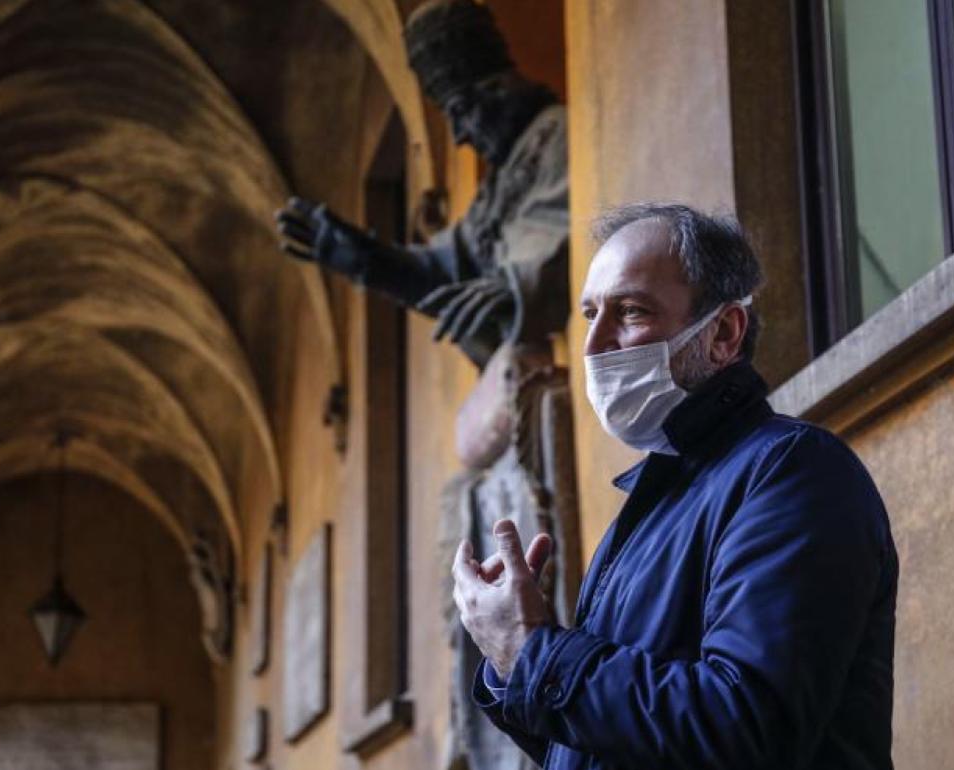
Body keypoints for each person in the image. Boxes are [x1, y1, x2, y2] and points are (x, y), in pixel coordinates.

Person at [453, 203, 899, 769]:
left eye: (630, 312)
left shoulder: (792, 472)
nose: (593, 345)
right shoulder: (653, 501)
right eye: (590, 314)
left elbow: (744, 728)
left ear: (723, 333)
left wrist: (534, 653)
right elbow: (613, 745)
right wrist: (509, 659)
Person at [274, 0, 568, 369]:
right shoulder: (495, 187)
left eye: (460, 112)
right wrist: (368, 261)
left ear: (498, 89)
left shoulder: (558, 137)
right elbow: (445, 275)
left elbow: (579, 239)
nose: (460, 136)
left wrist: (517, 287)